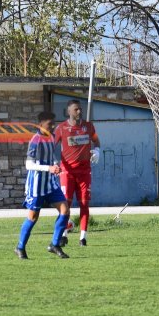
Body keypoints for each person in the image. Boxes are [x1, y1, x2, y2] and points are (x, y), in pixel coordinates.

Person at [15, 110, 71, 259]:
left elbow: (51, 155)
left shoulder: (52, 138)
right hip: (37, 185)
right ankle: (20, 247)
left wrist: (55, 164)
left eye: (53, 124)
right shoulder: (35, 140)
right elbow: (28, 165)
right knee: (33, 217)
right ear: (40, 124)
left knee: (65, 210)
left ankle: (55, 244)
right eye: (49, 124)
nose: (52, 127)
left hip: (50, 184)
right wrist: (48, 168)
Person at [54, 99, 101, 246]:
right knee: (65, 204)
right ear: (69, 112)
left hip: (84, 172)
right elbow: (50, 145)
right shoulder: (61, 128)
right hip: (67, 173)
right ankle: (64, 234)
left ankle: (83, 237)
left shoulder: (88, 127)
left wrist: (97, 151)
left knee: (84, 204)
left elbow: (96, 141)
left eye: (80, 109)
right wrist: (53, 162)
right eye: (76, 109)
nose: (79, 112)